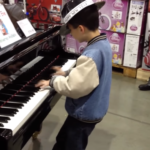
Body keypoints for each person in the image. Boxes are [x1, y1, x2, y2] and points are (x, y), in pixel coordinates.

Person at [35, 0, 112, 149]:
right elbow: (90, 73)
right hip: (92, 109)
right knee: (63, 138)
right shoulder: (103, 43)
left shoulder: (91, 54)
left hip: (83, 114)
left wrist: (52, 82)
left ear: (81, 29)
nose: (71, 34)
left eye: (70, 30)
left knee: (73, 143)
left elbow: (73, 88)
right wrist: (67, 72)